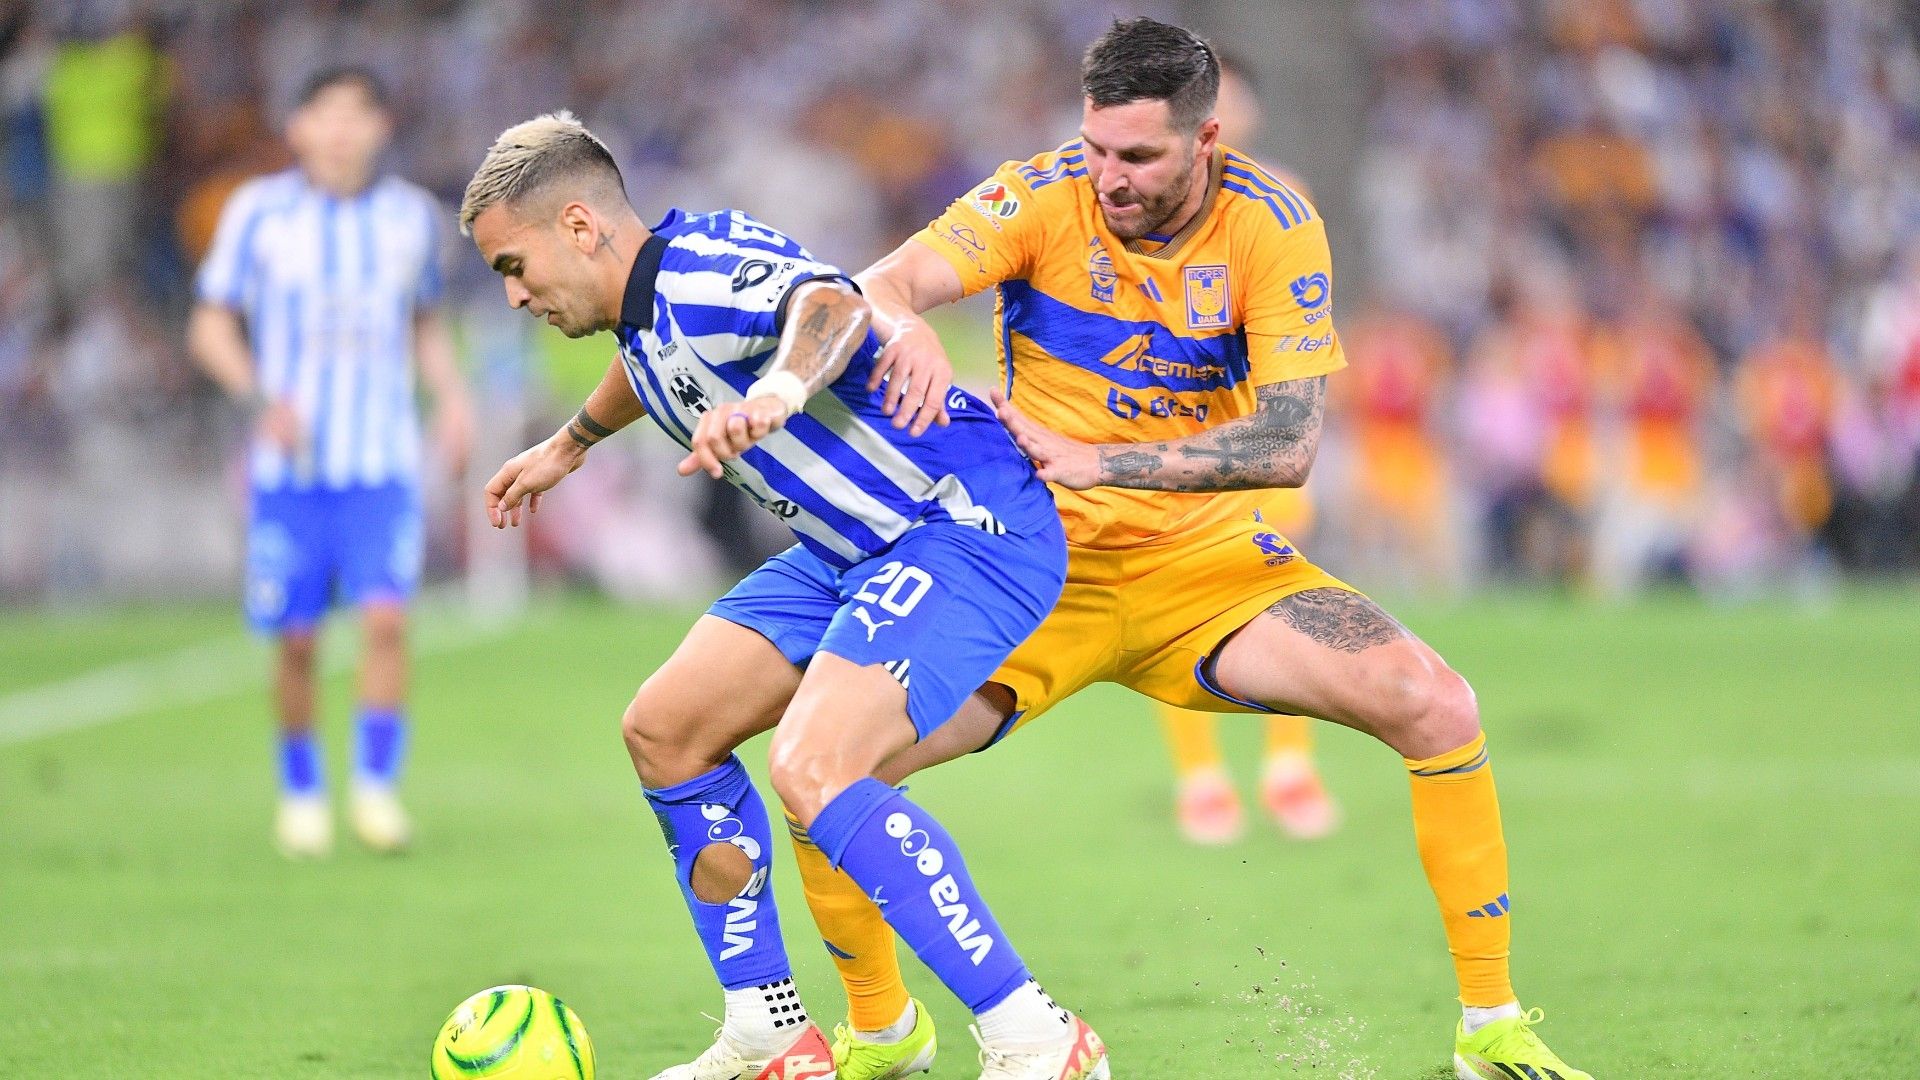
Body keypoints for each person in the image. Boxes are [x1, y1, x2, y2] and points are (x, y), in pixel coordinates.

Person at [790, 19, 1593, 1080]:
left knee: (1437, 702)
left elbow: (1292, 441)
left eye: (1137, 157)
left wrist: (1101, 462)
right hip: (1032, 571)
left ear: (1206, 137)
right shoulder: (1040, 195)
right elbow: (874, 286)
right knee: (823, 772)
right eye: (1095, 149)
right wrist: (908, 322)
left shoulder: (1276, 224)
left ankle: (1489, 1028)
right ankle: (884, 1032)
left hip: (1205, 574)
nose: (1107, 178)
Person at [462, 112, 1109, 1080]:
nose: (513, 295)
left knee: (814, 765)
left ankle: (1038, 1036)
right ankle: (771, 1035)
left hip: (961, 523)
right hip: (851, 549)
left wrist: (781, 392)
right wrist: (568, 445)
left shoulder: (705, 267)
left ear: (581, 227)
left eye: (514, 265)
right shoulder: (643, 310)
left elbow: (836, 306)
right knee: (665, 728)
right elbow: (651, 367)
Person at [188, 67, 470, 859]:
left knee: (386, 621)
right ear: (298, 127)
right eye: (326, 114)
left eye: (358, 114)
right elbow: (210, 326)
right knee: (299, 639)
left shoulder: (411, 218)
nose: (342, 130)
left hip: (381, 463)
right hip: (291, 471)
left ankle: (377, 791)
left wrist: (451, 398)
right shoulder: (257, 214)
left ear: (381, 127)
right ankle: (302, 789)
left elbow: (425, 324)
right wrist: (258, 400)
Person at [1149, 48, 1337, 848]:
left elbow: (1305, 311)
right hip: (1178, 430)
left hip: (1259, 422)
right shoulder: (1139, 200)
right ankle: (1201, 780)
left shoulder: (1284, 195)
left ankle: (1290, 767)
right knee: (1167, 600)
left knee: (1285, 587)